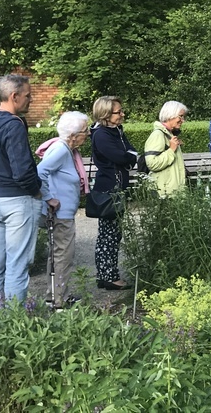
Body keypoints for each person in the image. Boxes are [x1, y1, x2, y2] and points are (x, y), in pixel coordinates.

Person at [0, 74, 43, 310]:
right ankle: (13, 322)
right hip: (16, 200)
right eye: (28, 95)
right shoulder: (13, 124)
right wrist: (36, 191)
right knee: (17, 264)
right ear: (14, 96)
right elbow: (22, 168)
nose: (30, 100)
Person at [35, 111, 90, 308]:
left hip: (62, 213)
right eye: (85, 130)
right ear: (73, 135)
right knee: (63, 256)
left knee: (57, 255)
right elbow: (40, 172)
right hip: (61, 214)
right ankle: (59, 300)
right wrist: (49, 198)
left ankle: (54, 295)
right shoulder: (60, 149)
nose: (88, 134)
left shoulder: (65, 149)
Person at [90, 96, 136, 291]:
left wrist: (128, 156)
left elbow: (131, 153)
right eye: (118, 112)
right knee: (109, 234)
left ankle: (106, 274)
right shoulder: (102, 135)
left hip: (116, 188)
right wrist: (128, 156)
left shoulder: (115, 131)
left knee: (112, 234)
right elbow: (120, 156)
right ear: (106, 114)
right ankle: (109, 276)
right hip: (110, 189)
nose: (122, 114)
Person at [146, 101, 188, 198]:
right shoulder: (157, 135)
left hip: (171, 191)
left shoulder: (169, 135)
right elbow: (152, 164)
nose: (183, 120)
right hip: (164, 192)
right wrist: (171, 150)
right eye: (180, 116)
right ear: (170, 115)